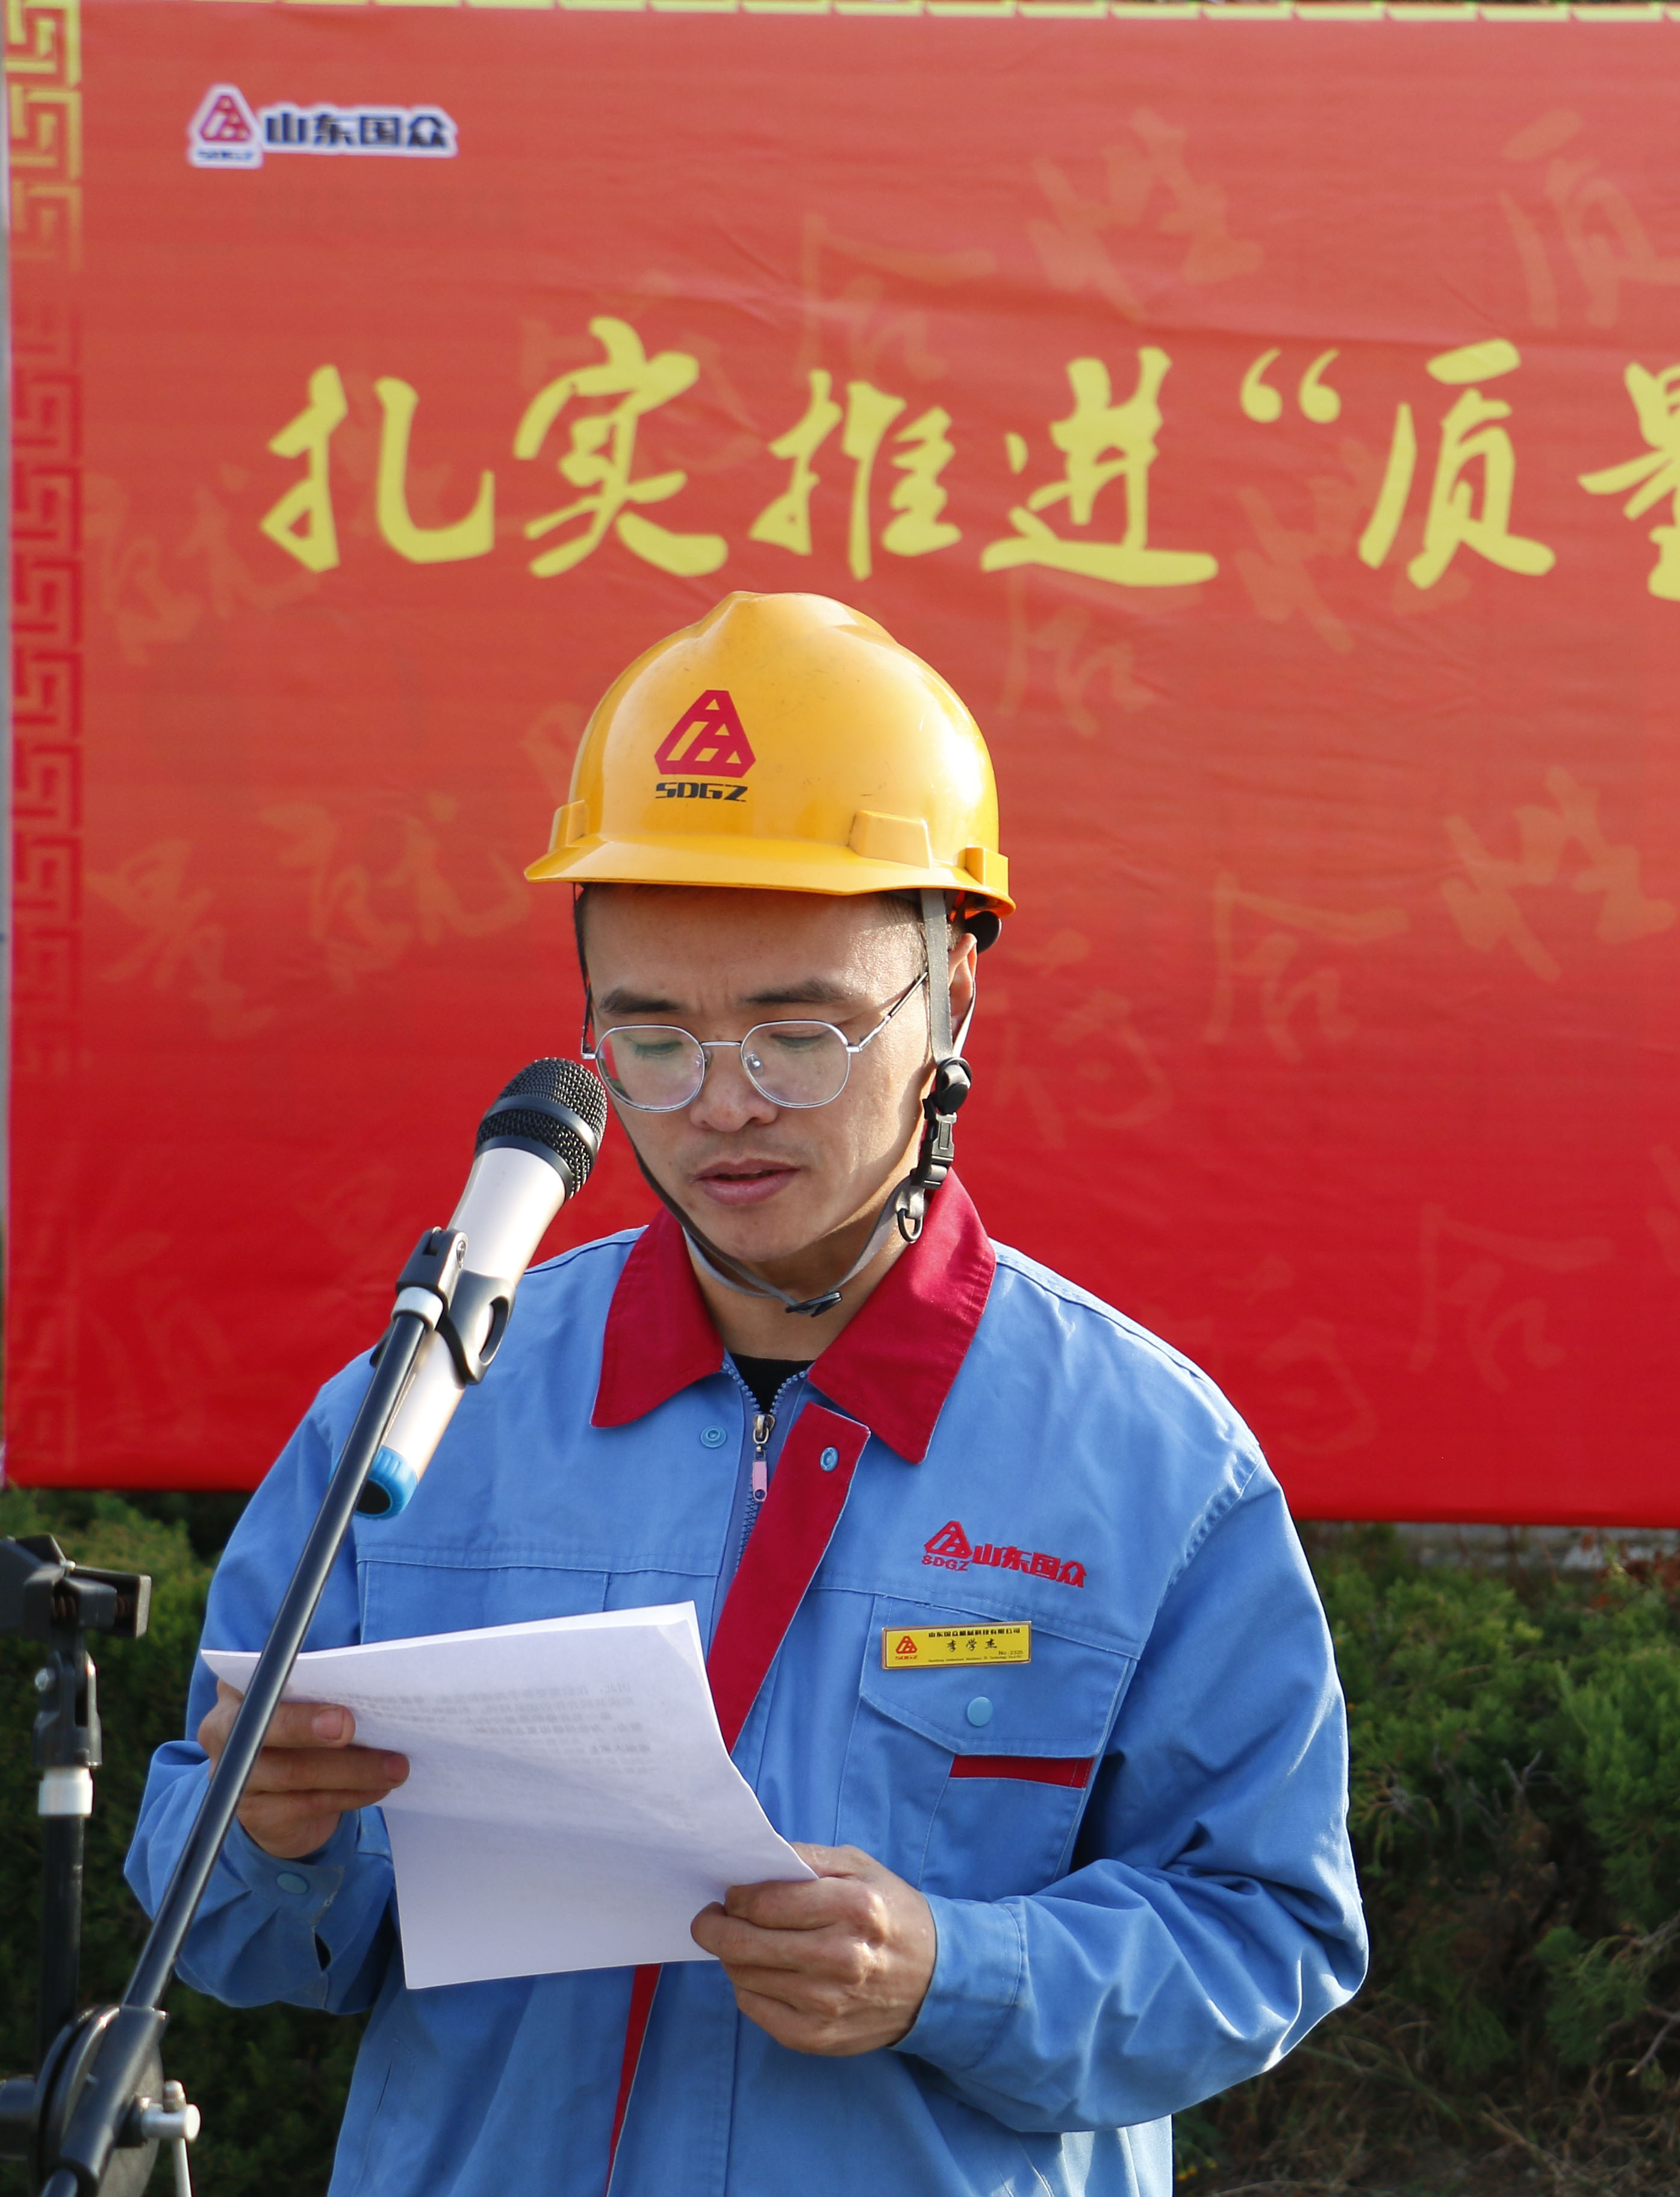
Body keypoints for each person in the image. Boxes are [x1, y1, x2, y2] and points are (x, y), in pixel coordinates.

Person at [125, 591, 1367, 2196]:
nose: (724, 1105)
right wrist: (269, 1838)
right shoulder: (429, 1410)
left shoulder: (1152, 1466)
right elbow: (225, 1923)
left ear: (955, 994)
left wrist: (953, 1973)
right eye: (652, 1039)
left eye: (801, 1034)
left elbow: (1267, 1932)